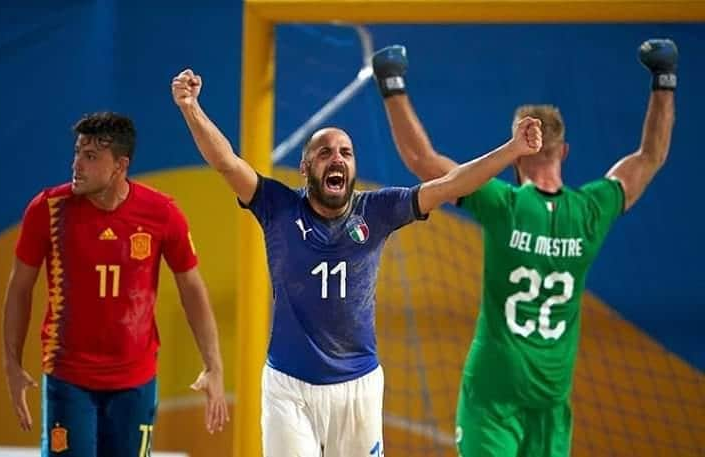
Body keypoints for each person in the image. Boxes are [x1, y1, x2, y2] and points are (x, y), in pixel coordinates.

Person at [171, 68, 542, 456]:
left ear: (353, 168)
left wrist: (513, 149)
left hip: (358, 388)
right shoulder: (277, 206)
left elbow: (450, 185)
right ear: (305, 169)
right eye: (325, 153)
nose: (337, 159)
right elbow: (227, 162)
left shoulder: (377, 211)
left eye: (346, 153)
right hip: (288, 389)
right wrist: (190, 107)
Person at [371, 38, 677, 457]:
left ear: (518, 156)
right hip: (551, 402)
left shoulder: (503, 204)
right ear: (564, 151)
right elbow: (650, 157)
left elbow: (423, 160)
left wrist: (392, 83)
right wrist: (665, 78)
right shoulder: (593, 210)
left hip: (494, 395)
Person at [2, 112, 229, 457]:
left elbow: (192, 290)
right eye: (77, 152)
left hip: (135, 382)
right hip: (68, 378)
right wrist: (12, 365)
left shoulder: (162, 213)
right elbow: (19, 288)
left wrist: (214, 367)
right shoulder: (47, 210)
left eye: (91, 157)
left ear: (120, 166)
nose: (77, 164)